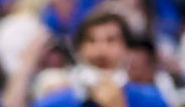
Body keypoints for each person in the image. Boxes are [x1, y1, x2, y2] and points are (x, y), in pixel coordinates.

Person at [29, 8, 167, 107]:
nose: (101, 50)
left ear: (127, 49)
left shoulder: (151, 100)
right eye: (91, 41)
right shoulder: (55, 102)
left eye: (111, 40)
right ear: (79, 50)